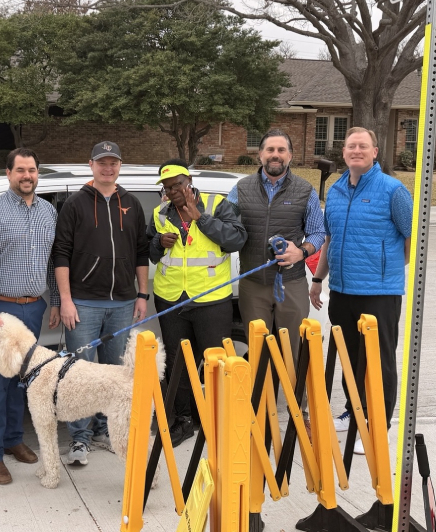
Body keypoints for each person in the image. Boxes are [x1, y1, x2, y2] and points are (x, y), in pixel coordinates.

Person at [309, 127, 412, 455]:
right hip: (342, 290)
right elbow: (328, 240)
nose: (356, 150)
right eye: (351, 146)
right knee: (350, 357)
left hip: (379, 292)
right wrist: (317, 279)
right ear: (344, 153)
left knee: (378, 360)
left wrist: (392, 269)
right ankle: (354, 411)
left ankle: (377, 423)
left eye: (363, 146)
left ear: (375, 152)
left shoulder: (393, 190)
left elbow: (411, 236)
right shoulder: (337, 190)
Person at [53, 141, 150, 466]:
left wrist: (141, 293)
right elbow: (61, 253)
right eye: (102, 163)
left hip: (123, 303)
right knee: (80, 375)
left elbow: (140, 251)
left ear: (119, 166)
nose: (108, 168)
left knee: (113, 375)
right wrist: (65, 300)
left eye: (113, 163)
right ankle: (79, 440)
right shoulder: (75, 204)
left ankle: (104, 431)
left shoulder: (132, 203)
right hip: (83, 303)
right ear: (91, 165)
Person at [0, 148, 61, 485]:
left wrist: (52, 300)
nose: (27, 176)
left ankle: (13, 440)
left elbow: (51, 261)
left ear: (38, 174)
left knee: (22, 380)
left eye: (32, 170)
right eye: (20, 170)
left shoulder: (48, 212)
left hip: (33, 307)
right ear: (8, 174)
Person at [147, 159, 247, 446]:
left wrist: (201, 219)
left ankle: (217, 419)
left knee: (216, 363)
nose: (172, 191)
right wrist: (158, 243)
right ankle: (183, 420)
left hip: (211, 299)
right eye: (167, 187)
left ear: (188, 181)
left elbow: (237, 240)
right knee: (178, 364)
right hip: (172, 299)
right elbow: (150, 251)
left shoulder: (217, 205)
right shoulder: (159, 212)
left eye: (177, 184)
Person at [226, 129, 325, 361]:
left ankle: (295, 398)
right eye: (270, 149)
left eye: (281, 150)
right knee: (259, 353)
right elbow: (223, 223)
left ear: (290, 156)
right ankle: (262, 398)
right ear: (260, 154)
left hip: (291, 284)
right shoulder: (240, 189)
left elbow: (318, 232)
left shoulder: (305, 191)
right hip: (253, 285)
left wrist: (300, 252)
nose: (275, 155)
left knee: (295, 353)